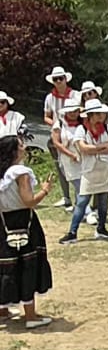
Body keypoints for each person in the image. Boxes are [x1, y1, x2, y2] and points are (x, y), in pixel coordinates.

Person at [0, 135, 55, 329]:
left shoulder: (2, 172)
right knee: (27, 265)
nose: (24, 147)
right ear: (15, 151)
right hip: (24, 221)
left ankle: (3, 311)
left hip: (4, 222)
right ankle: (30, 316)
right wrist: (45, 190)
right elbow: (28, 201)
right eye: (21, 145)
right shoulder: (20, 172)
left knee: (6, 265)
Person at [59, 100, 108, 244]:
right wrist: (102, 147)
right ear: (90, 115)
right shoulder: (81, 129)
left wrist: (95, 148)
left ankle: (101, 228)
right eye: (97, 114)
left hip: (105, 168)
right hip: (89, 170)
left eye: (102, 113)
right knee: (82, 201)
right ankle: (73, 232)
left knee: (103, 201)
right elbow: (83, 149)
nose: (101, 116)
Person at [43, 65, 77, 208]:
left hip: (74, 132)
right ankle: (66, 196)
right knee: (60, 166)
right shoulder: (50, 98)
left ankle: (80, 198)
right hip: (58, 133)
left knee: (77, 165)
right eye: (55, 79)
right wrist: (57, 124)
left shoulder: (76, 95)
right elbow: (46, 117)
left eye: (60, 78)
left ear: (65, 79)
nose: (58, 81)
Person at [51, 98, 84, 214]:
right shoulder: (59, 124)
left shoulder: (83, 123)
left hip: (83, 157)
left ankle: (79, 207)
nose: (73, 114)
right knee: (78, 184)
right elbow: (56, 142)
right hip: (67, 158)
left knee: (82, 183)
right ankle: (86, 210)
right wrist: (70, 154)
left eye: (75, 111)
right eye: (71, 111)